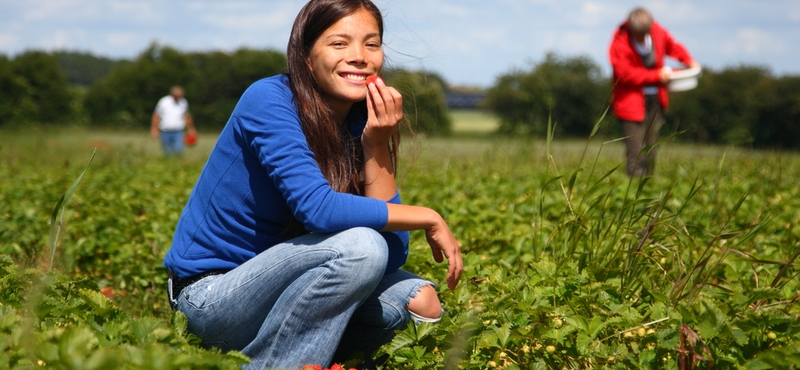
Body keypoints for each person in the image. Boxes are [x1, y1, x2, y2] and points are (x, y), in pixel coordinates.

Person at [162, 1, 463, 369]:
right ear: (305, 56)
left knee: (420, 303)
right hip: (212, 296)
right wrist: (428, 216)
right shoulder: (269, 99)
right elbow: (318, 209)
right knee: (360, 247)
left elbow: (391, 255)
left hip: (292, 285)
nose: (359, 57)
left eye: (371, 44)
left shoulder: (360, 120)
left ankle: (306, 356)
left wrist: (376, 144)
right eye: (339, 44)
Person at [608, 7, 700, 177]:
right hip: (630, 103)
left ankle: (648, 185)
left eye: (645, 33)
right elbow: (625, 74)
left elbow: (672, 46)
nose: (642, 37)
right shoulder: (619, 42)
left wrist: (688, 61)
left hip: (655, 99)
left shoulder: (657, 31)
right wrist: (656, 75)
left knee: (652, 148)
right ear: (630, 29)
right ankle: (635, 189)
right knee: (636, 151)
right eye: (638, 34)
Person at [150, 85, 197, 157]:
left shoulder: (183, 102)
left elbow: (187, 117)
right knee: (167, 152)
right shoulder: (163, 101)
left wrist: (191, 129)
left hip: (178, 131)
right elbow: (156, 116)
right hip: (165, 131)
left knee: (178, 150)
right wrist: (154, 129)